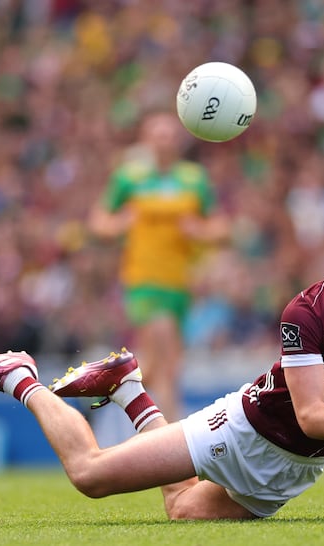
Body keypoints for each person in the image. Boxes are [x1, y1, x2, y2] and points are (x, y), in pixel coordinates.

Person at [0, 192, 324, 519]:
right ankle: (21, 378)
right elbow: (311, 416)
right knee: (90, 477)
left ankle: (128, 389)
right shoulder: (310, 309)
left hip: (297, 471)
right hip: (242, 430)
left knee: (182, 509)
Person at [88, 111, 229, 422]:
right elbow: (99, 222)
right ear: (146, 140)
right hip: (143, 279)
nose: (164, 141)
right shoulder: (129, 177)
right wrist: (121, 223)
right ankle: (174, 438)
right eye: (158, 135)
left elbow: (220, 227)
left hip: (180, 283)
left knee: (158, 364)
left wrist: (199, 231)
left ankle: (105, 394)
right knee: (166, 358)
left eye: (170, 135)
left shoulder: (194, 179)